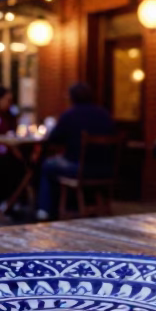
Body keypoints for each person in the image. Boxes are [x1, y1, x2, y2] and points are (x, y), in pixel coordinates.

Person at [35, 83, 115, 221]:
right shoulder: (104, 114)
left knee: (47, 165)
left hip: (79, 169)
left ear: (72, 98)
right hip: (106, 169)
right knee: (57, 162)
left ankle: (45, 209)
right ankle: (77, 204)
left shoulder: (70, 115)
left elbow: (54, 138)